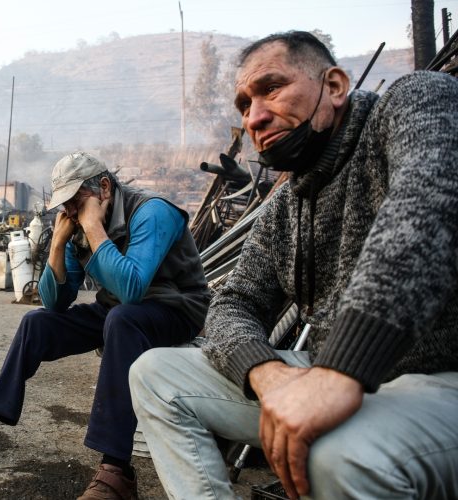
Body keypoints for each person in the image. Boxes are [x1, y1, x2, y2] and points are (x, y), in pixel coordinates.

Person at [129, 31, 458, 500]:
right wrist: (265, 371)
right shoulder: (288, 203)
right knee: (155, 374)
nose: (255, 116)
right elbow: (233, 304)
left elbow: (428, 205)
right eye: (244, 104)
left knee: (339, 455)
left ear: (336, 86)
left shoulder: (416, 99)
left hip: (441, 378)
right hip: (333, 379)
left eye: (272, 88)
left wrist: (339, 371)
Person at [0, 151, 210, 499]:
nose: (69, 211)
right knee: (37, 322)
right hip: (120, 311)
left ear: (103, 188)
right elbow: (55, 302)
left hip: (175, 310)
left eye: (75, 201)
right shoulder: (76, 223)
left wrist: (94, 227)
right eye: (63, 205)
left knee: (121, 319)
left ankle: (117, 472)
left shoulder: (152, 212)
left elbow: (132, 288)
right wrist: (57, 243)